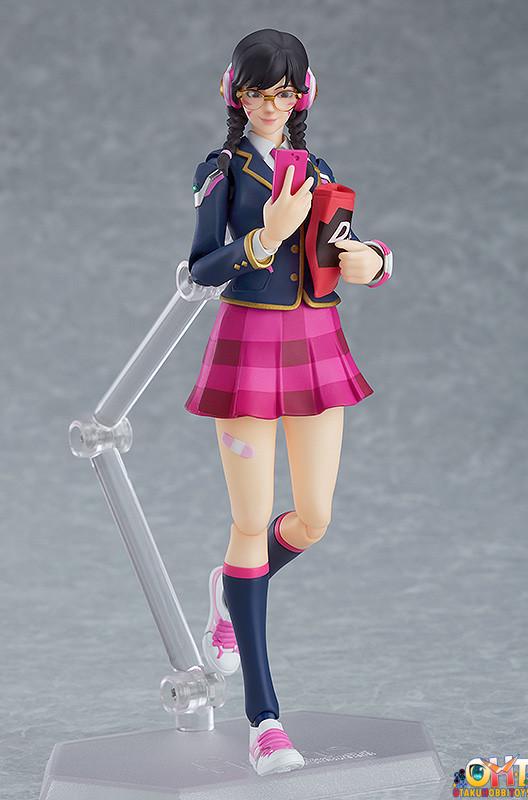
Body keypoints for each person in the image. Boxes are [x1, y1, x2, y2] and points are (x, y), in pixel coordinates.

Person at [184, 28, 392, 776]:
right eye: (255, 93)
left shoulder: (318, 168)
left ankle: (231, 592)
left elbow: (346, 244)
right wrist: (261, 240)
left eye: (281, 94)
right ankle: (264, 719)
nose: (268, 107)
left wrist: (372, 261)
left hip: (316, 343)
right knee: (248, 521)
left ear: (303, 95)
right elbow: (200, 267)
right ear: (234, 93)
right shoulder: (222, 171)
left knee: (313, 518)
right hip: (248, 342)